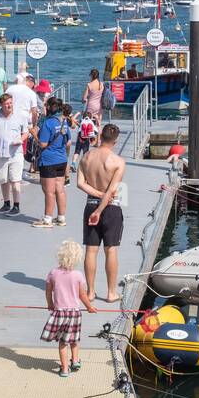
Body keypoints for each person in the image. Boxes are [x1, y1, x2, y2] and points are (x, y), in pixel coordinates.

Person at [77, 123, 127, 303]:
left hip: (90, 205)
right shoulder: (118, 162)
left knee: (91, 250)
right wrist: (101, 205)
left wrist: (96, 196)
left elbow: (80, 183)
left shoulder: (87, 157)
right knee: (111, 250)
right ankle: (111, 293)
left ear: (100, 137)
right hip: (110, 208)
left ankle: (90, 292)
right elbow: (112, 191)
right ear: (116, 140)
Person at [41, 240, 97, 376]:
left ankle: (65, 369)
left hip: (59, 313)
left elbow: (48, 291)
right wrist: (89, 307)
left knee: (62, 342)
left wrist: (50, 303)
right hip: (74, 314)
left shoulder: (53, 273)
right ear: (77, 257)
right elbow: (82, 294)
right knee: (74, 338)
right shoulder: (77, 275)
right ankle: (76, 360)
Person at [31, 96, 70, 227]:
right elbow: (68, 141)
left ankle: (47, 219)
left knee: (49, 191)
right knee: (60, 189)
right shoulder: (63, 122)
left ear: (50, 108)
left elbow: (42, 144)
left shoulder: (48, 123)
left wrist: (33, 134)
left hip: (48, 160)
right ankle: (61, 217)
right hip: (62, 159)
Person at [0, 92, 25, 215]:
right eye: (6, 104)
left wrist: (21, 140)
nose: (9, 106)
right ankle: (6, 203)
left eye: (10, 103)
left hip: (15, 153)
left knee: (15, 180)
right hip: (0, 153)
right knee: (3, 179)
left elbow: (26, 132)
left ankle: (16, 206)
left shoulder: (20, 116)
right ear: (1, 105)